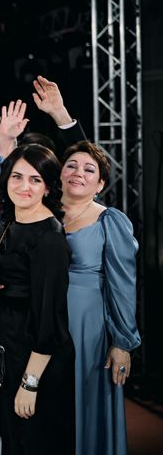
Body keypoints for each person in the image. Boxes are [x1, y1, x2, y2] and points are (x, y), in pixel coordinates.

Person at [0, 144, 75, 455]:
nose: (24, 186)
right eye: (17, 177)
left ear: (48, 187)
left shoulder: (49, 238)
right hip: (12, 352)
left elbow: (50, 320)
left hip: (37, 362)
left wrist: (30, 382)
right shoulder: (12, 221)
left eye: (36, 179)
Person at [60, 141, 140, 455]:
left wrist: (122, 342)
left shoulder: (109, 220)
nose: (78, 173)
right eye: (71, 165)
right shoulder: (40, 211)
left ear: (100, 184)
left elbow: (123, 285)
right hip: (44, 323)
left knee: (87, 404)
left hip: (89, 328)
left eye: (89, 170)